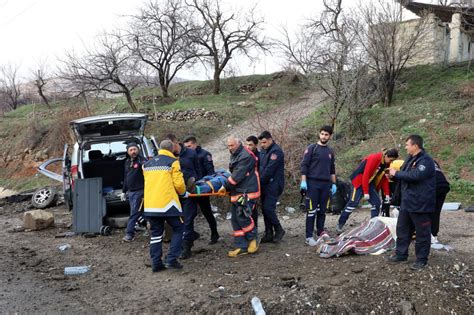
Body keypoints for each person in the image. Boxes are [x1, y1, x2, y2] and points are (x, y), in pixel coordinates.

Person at [387, 134, 436, 271]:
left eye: (408, 145)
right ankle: (401, 254)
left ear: (415, 146)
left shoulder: (425, 161)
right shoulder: (410, 159)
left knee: (422, 233)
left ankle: (421, 260)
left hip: (420, 204)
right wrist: (394, 176)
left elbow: (416, 176)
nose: (406, 147)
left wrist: (396, 174)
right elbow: (405, 176)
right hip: (407, 203)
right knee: (402, 229)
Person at [142, 139, 187, 272]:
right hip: (168, 204)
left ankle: (156, 263)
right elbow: (179, 184)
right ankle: (171, 259)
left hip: (151, 206)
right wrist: (184, 193)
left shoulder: (147, 164)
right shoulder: (173, 162)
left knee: (156, 233)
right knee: (179, 228)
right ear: (172, 149)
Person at [336, 148, 399, 233]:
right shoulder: (375, 158)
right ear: (386, 156)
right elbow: (366, 174)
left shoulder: (386, 163)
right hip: (359, 180)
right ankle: (340, 223)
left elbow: (383, 178)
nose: (391, 162)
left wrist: (387, 193)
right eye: (391, 160)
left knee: (376, 203)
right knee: (353, 202)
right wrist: (365, 192)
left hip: (369, 182)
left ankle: (373, 225)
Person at [300, 125, 337, 246]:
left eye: (326, 135)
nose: (324, 136)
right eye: (322, 134)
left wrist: (334, 184)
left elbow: (332, 169)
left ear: (330, 136)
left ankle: (321, 232)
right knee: (311, 211)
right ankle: (309, 236)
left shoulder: (330, 151)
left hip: (326, 185)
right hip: (312, 183)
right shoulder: (312, 148)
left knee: (322, 211)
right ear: (319, 134)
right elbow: (304, 165)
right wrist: (303, 181)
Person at [223, 136, 260, 257]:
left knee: (243, 216)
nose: (230, 148)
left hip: (247, 191)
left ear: (239, 144)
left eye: (232, 145)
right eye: (228, 146)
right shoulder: (236, 154)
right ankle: (241, 246)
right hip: (238, 191)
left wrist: (225, 186)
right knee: (235, 219)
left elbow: (237, 176)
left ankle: (253, 239)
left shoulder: (245, 156)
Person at [165, 134, 199, 259]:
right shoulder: (168, 157)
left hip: (189, 191)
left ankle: (186, 248)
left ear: (176, 142)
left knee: (188, 219)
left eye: (171, 145)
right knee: (178, 221)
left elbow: (198, 169)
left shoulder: (190, 153)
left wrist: (198, 183)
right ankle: (184, 242)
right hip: (174, 194)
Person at [183, 136, 220, 244]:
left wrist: (203, 185)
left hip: (202, 188)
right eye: (186, 147)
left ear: (195, 144)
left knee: (207, 212)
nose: (188, 148)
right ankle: (191, 235)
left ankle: (214, 233)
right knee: (188, 215)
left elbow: (210, 172)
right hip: (190, 189)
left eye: (189, 146)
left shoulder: (204, 154)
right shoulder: (186, 155)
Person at [258, 131, 286, 243]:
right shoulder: (264, 151)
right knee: (265, 209)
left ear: (270, 139)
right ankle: (268, 232)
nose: (262, 145)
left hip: (274, 184)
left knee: (268, 208)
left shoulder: (276, 151)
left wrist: (258, 182)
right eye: (261, 143)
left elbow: (269, 170)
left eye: (264, 142)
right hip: (265, 184)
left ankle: (279, 229)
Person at [121, 142, 147, 242]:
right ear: (128, 152)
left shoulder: (142, 160)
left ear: (138, 150)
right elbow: (126, 177)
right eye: (131, 150)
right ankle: (148, 227)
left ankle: (129, 234)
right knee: (143, 213)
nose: (133, 151)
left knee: (134, 213)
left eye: (134, 149)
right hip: (131, 192)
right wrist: (124, 191)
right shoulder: (127, 162)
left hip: (140, 191)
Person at [431, 160, 450, 245]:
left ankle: (429, 235)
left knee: (427, 211)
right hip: (444, 185)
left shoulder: (419, 161)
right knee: (436, 212)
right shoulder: (432, 161)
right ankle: (434, 236)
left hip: (434, 186)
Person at [245, 135, 261, 231]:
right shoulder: (244, 155)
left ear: (255, 145)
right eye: (247, 145)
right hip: (245, 186)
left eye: (250, 145)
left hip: (256, 186)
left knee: (253, 210)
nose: (248, 147)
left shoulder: (260, 156)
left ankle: (254, 230)